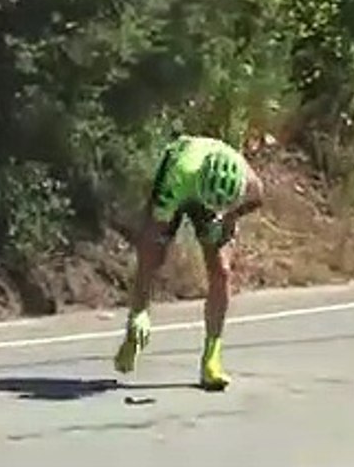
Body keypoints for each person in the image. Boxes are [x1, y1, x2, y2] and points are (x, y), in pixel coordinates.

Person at [113, 134, 265, 391]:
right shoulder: (179, 177)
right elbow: (151, 238)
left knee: (222, 271)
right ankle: (137, 321)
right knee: (154, 253)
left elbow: (257, 200)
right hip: (181, 175)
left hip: (214, 195)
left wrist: (228, 217)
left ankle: (211, 359)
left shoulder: (248, 183)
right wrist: (139, 310)